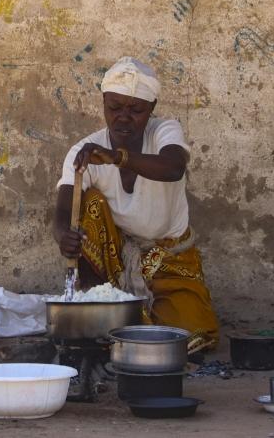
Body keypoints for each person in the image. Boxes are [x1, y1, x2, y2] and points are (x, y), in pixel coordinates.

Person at [53, 56, 219, 346]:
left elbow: (173, 167)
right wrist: (62, 236)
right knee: (88, 204)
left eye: (136, 110)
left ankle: (131, 321)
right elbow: (64, 211)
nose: (124, 118)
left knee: (189, 338)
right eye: (114, 108)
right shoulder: (83, 152)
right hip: (114, 263)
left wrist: (118, 158)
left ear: (152, 108)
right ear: (103, 103)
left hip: (168, 261)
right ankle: (100, 303)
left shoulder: (165, 131)